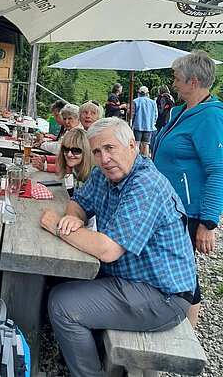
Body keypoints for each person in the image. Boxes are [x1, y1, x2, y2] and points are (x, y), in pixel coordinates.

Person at [40, 117, 196, 377]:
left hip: (163, 296)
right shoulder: (104, 175)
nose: (104, 158)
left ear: (132, 145)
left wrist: (58, 226)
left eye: (110, 148)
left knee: (62, 304)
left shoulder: (146, 185)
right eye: (97, 152)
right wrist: (73, 219)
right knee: (55, 280)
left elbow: (108, 250)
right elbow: (78, 202)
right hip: (130, 278)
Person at [153, 50, 223, 328]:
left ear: (193, 82)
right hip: (167, 206)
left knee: (184, 273)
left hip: (188, 211)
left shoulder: (210, 118)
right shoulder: (181, 111)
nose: (173, 83)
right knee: (167, 265)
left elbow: (218, 170)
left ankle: (188, 336)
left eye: (177, 78)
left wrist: (208, 222)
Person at [132, 85, 157, 157]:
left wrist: (131, 124)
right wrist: (153, 123)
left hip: (138, 125)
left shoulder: (135, 101)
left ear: (139, 93)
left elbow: (133, 114)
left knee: (137, 143)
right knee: (146, 144)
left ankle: (136, 158)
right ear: (147, 93)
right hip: (149, 126)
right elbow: (156, 114)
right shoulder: (152, 102)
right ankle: (145, 160)